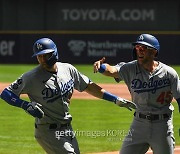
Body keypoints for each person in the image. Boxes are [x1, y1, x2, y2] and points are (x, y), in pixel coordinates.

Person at [0, 38, 136, 154]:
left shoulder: (68, 69)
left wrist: (115, 99)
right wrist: (25, 105)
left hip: (67, 128)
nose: (42, 59)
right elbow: (6, 93)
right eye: (39, 56)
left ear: (54, 53)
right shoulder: (31, 77)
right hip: (48, 131)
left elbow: (88, 86)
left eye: (45, 55)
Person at [93, 34, 180, 154]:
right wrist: (101, 66)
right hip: (139, 124)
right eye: (138, 48)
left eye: (144, 48)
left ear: (154, 52)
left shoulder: (169, 73)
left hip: (162, 125)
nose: (139, 51)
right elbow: (111, 70)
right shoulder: (129, 68)